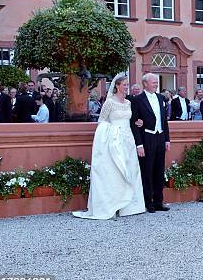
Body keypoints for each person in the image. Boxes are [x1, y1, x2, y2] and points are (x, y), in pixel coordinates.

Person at [73, 74, 145, 219]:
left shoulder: (128, 103)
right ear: (117, 86)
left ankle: (129, 206)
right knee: (115, 172)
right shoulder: (109, 103)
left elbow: (129, 121)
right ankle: (113, 205)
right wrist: (112, 133)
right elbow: (102, 121)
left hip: (128, 139)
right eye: (124, 84)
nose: (126, 87)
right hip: (114, 140)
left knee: (130, 169)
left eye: (127, 85)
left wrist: (139, 123)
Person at [131, 73, 171, 213]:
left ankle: (159, 201)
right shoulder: (138, 100)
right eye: (153, 82)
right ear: (145, 84)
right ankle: (148, 202)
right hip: (147, 138)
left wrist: (167, 139)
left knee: (159, 170)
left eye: (156, 82)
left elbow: (164, 121)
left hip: (160, 137)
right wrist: (139, 144)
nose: (156, 84)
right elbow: (134, 123)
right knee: (147, 171)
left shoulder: (161, 98)